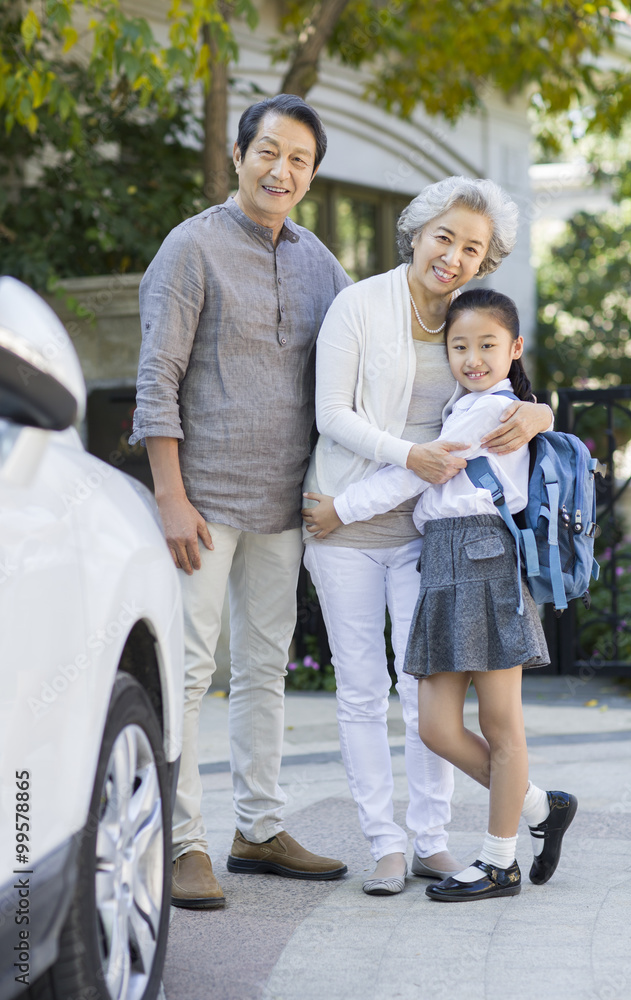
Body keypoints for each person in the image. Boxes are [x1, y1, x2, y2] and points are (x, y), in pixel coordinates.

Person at [301, 177, 554, 896]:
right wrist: (404, 457)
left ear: (484, 262)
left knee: (425, 702)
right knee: (358, 691)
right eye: (444, 236)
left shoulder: (474, 324)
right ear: (416, 231)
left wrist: (539, 415)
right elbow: (330, 413)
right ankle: (386, 844)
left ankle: (432, 841)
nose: (452, 255)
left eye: (471, 248)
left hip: (426, 531)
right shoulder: (359, 304)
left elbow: (505, 391)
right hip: (345, 515)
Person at [130, 94, 352, 909]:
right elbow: (156, 375)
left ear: (311, 174)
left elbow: (367, 349)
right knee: (185, 674)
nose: (280, 169)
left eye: (298, 159)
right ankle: (180, 840)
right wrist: (169, 494)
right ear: (237, 153)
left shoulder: (319, 261)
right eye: (268, 150)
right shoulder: (190, 247)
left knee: (266, 670)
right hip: (203, 504)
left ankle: (258, 827)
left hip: (285, 505)